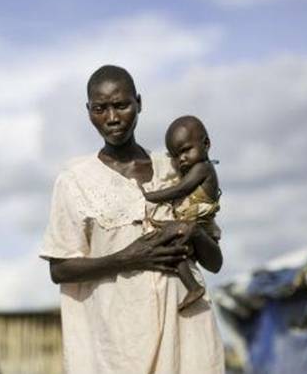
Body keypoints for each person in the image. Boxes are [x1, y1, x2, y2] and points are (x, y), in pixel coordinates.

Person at [40, 65, 225, 374]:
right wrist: (129, 257)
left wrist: (192, 231)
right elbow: (59, 269)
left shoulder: (176, 168)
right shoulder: (75, 182)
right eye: (100, 109)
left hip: (188, 336)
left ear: (139, 103)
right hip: (120, 347)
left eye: (121, 105)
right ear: (89, 112)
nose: (112, 118)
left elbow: (215, 262)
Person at [143, 115, 221, 311]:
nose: (181, 159)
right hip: (194, 221)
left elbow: (179, 190)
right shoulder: (195, 168)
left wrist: (148, 196)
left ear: (206, 144)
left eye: (186, 150)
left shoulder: (202, 168)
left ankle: (193, 288)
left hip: (200, 223)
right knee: (172, 243)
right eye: (175, 156)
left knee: (173, 248)